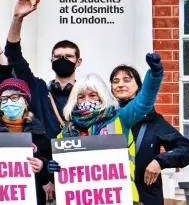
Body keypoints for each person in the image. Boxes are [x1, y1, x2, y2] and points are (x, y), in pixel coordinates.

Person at [48, 53, 164, 204]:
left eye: (92, 95)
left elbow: (144, 101)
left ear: (102, 96)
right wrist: (54, 166)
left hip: (120, 199)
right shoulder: (68, 130)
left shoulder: (120, 118)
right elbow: (60, 164)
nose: (87, 101)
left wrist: (154, 74)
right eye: (81, 97)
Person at [110, 65, 189, 205]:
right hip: (115, 198)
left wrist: (160, 161)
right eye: (115, 81)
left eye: (126, 80)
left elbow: (185, 149)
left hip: (146, 198)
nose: (120, 85)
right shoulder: (106, 120)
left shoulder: (153, 120)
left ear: (139, 86)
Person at [3, 0, 81, 138]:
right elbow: (13, 55)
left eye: (68, 56)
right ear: (51, 61)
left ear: (78, 62)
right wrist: (17, 18)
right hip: (43, 159)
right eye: (58, 57)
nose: (62, 60)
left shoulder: (86, 94)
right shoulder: (38, 89)